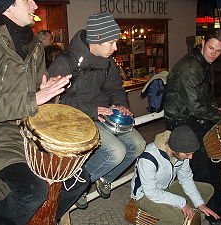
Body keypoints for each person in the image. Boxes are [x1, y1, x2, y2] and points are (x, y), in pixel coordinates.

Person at [0, 0, 89, 224]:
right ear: (6, 5)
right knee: (32, 192)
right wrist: (33, 98)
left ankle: (44, 219)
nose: (35, 4)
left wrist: (44, 90)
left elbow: (34, 93)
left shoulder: (34, 45)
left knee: (80, 182)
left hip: (32, 126)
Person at [48, 12, 146, 207]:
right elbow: (54, 104)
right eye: (111, 43)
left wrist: (121, 105)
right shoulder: (65, 62)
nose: (115, 48)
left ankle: (103, 177)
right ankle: (76, 186)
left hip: (103, 113)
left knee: (138, 145)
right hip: (77, 117)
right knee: (115, 152)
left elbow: (115, 89)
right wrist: (93, 110)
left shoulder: (108, 62)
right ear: (97, 40)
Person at [163, 28, 221, 225]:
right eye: (211, 48)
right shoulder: (189, 67)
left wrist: (217, 108)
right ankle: (212, 215)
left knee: (215, 162)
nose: (214, 54)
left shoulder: (206, 62)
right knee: (202, 168)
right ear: (202, 43)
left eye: (218, 51)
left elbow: (208, 96)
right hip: (181, 121)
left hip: (196, 116)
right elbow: (195, 107)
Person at [131, 126, 220, 225]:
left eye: (191, 153)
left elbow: (186, 179)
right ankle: (176, 217)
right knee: (177, 219)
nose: (190, 157)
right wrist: (181, 203)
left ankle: (182, 214)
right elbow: (151, 192)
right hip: (144, 195)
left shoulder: (182, 153)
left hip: (166, 187)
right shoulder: (148, 158)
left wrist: (200, 204)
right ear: (174, 149)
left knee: (208, 189)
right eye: (187, 154)